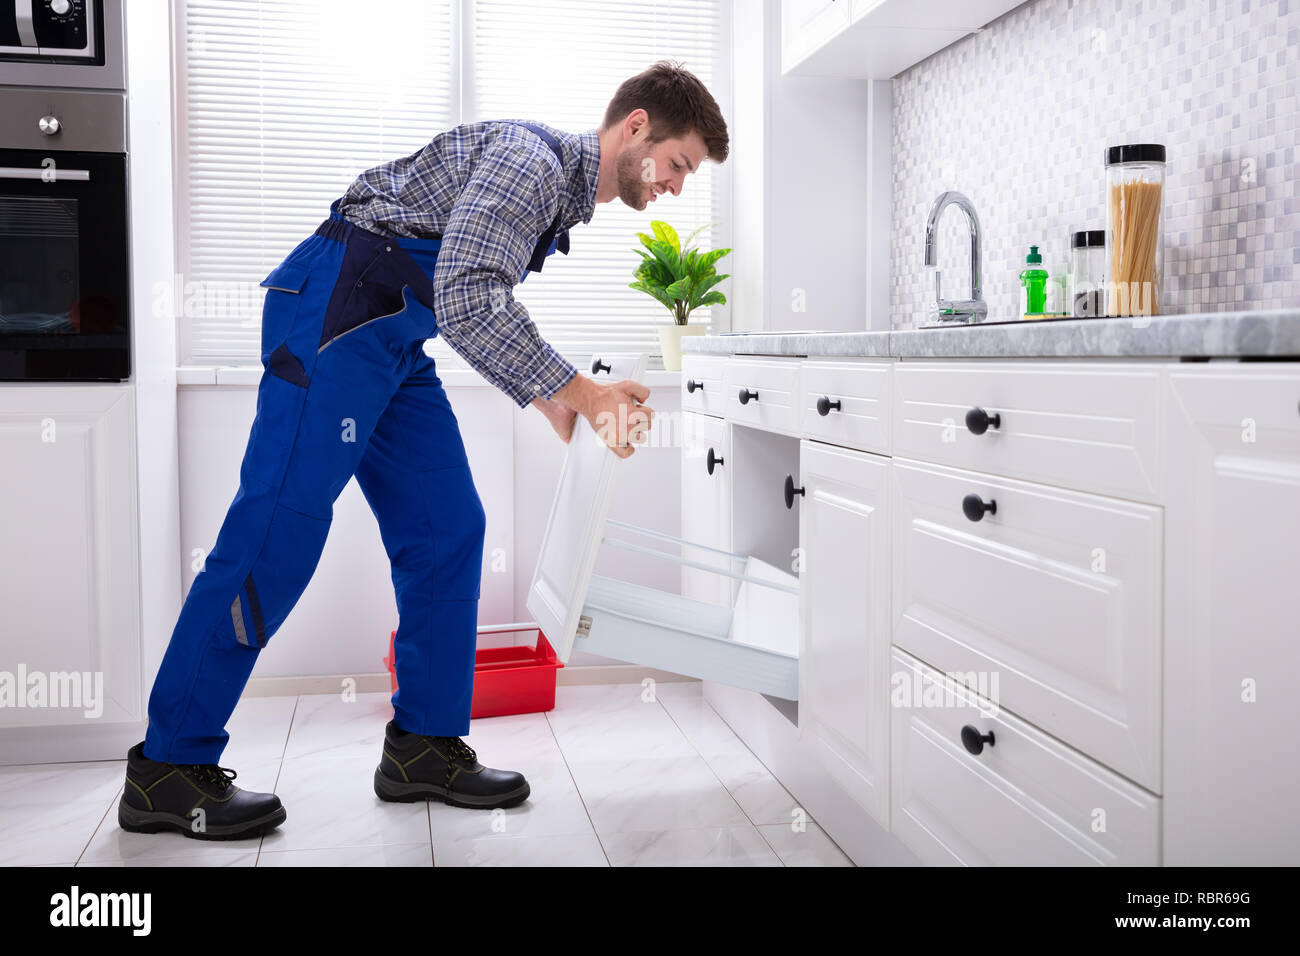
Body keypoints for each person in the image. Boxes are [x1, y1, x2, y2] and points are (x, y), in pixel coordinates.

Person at [117, 60, 730, 840]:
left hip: (391, 334)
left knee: (448, 527)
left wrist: (552, 401)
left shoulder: (553, 188)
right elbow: (470, 297)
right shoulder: (532, 164)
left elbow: (468, 295)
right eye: (678, 164)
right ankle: (168, 766)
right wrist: (577, 390)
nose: (677, 185)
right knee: (275, 533)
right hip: (339, 314)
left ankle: (423, 749)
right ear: (636, 128)